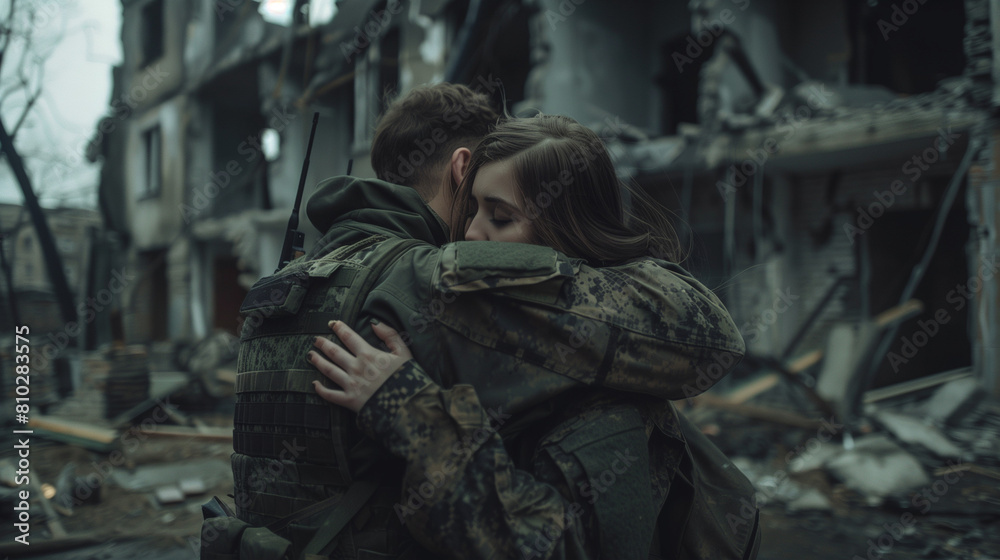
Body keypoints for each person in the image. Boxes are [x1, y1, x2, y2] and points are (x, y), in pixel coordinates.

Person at [207, 85, 748, 560]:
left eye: (501, 216)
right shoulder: (438, 281)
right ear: (464, 169)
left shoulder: (281, 289)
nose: (471, 236)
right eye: (478, 209)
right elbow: (707, 338)